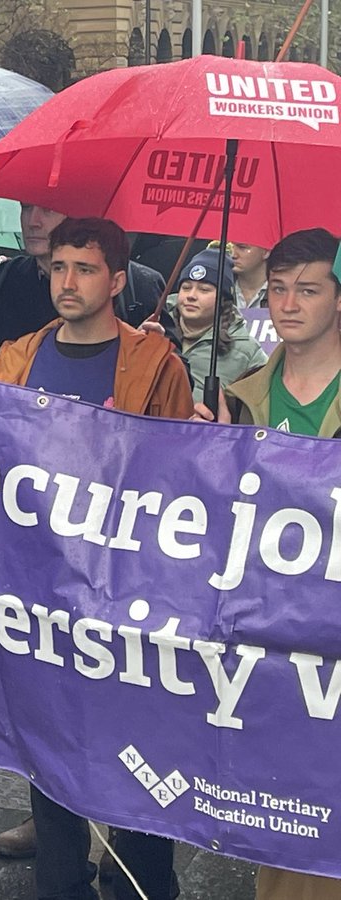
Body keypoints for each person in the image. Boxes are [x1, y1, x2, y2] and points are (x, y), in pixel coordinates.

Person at [0, 217, 192, 900]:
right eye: (58, 267)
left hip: (127, 596)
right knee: (48, 748)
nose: (66, 282)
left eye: (84, 268)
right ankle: (61, 880)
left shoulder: (155, 365)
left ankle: (142, 881)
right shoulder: (17, 357)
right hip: (40, 594)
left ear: (117, 280)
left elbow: (182, 481)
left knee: (138, 753)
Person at [195, 228, 341, 900]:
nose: (288, 303)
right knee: (285, 816)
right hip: (271, 638)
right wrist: (205, 453)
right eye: (278, 288)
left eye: (307, 289)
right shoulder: (242, 396)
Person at [0, 204, 170, 378]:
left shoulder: (140, 285)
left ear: (115, 283)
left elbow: (173, 397)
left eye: (47, 209)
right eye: (25, 207)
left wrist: (151, 357)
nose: (32, 221)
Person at [169, 248, 267, 402]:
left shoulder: (247, 351)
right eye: (186, 287)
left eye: (204, 290)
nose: (191, 296)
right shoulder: (157, 328)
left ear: (223, 299)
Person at [231, 241, 271, 309]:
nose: (233, 255)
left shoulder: (282, 291)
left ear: (266, 252)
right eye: (232, 247)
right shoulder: (221, 287)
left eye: (242, 247)